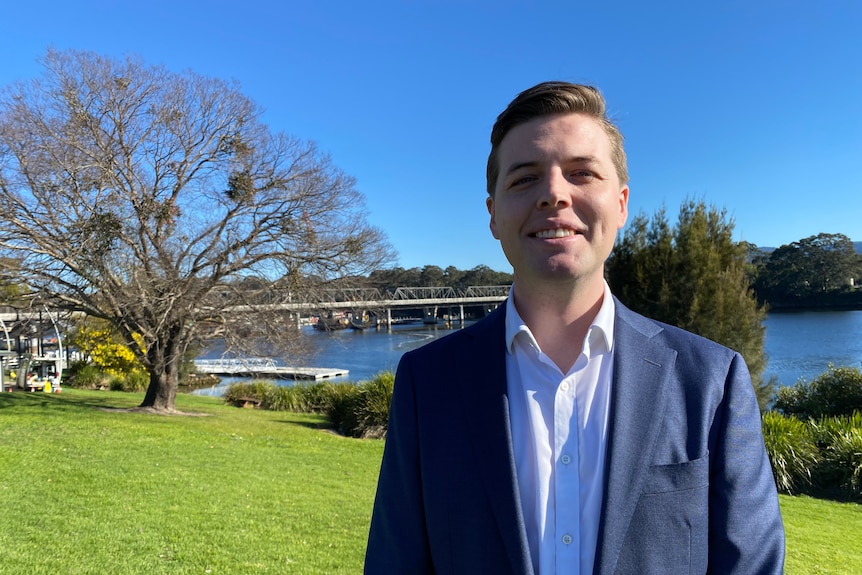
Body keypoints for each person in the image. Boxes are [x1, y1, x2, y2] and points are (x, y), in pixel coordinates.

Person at [364, 81, 785, 574]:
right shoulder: (426, 382)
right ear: (493, 215)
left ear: (622, 204)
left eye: (582, 173)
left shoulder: (711, 380)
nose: (554, 194)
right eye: (524, 179)